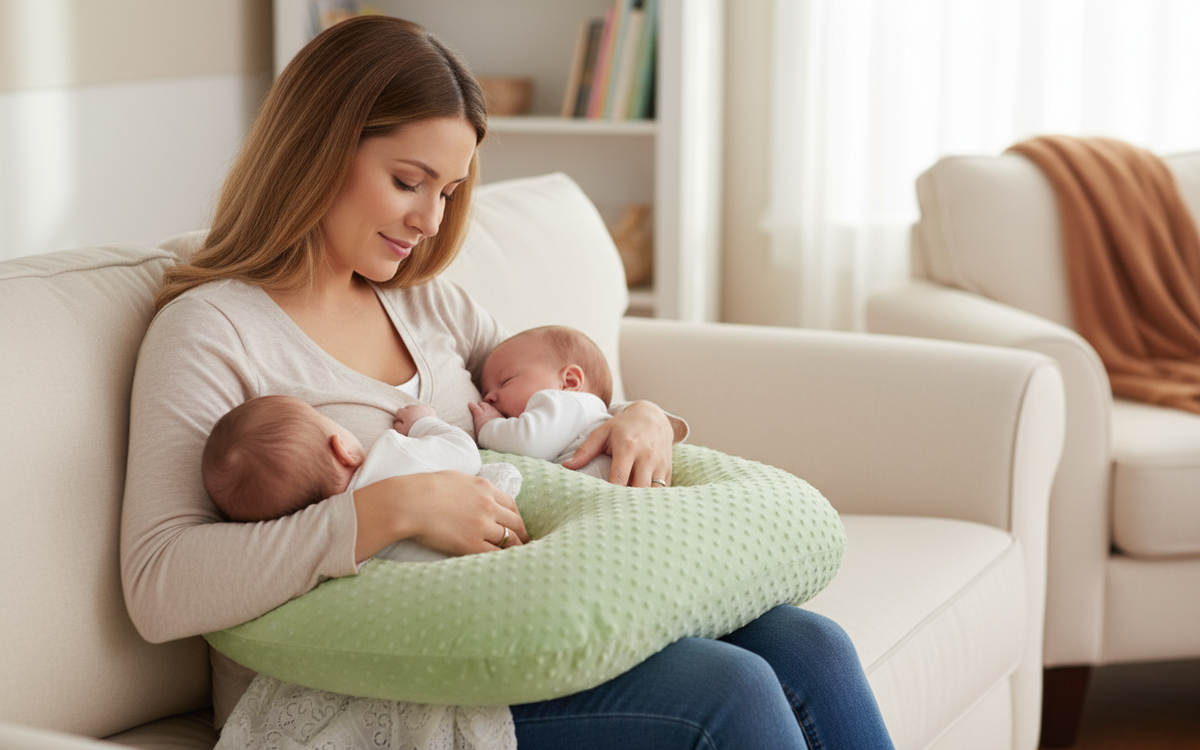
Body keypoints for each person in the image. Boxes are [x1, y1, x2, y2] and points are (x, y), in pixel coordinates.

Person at [118, 14, 894, 750]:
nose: (428, 219)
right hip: (360, 685)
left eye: (448, 191)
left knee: (809, 645)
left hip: (523, 616)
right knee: (728, 693)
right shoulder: (212, 329)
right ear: (318, 148)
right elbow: (158, 584)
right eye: (408, 180)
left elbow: (554, 402)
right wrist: (383, 511)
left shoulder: (430, 304)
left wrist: (640, 414)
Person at [202, 395, 522, 561]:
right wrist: (425, 423)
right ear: (344, 451)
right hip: (493, 551)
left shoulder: (342, 547)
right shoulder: (392, 453)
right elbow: (465, 452)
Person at [469, 325, 617, 481]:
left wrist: (488, 426)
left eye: (506, 380)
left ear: (569, 382)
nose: (488, 399)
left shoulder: (570, 402)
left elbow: (526, 443)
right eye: (484, 393)